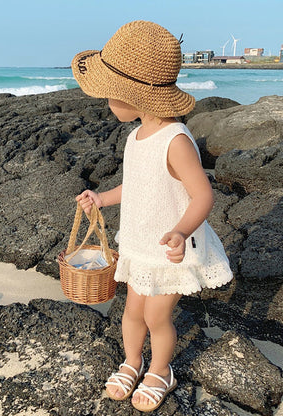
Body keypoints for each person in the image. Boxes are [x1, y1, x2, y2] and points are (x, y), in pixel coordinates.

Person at [71, 20, 233, 412]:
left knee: (157, 315)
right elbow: (139, 187)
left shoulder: (176, 141)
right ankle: (132, 361)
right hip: (140, 244)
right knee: (131, 311)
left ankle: (161, 369)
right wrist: (103, 198)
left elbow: (202, 195)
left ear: (138, 95)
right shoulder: (137, 136)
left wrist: (180, 231)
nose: (107, 103)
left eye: (111, 95)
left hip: (171, 248)